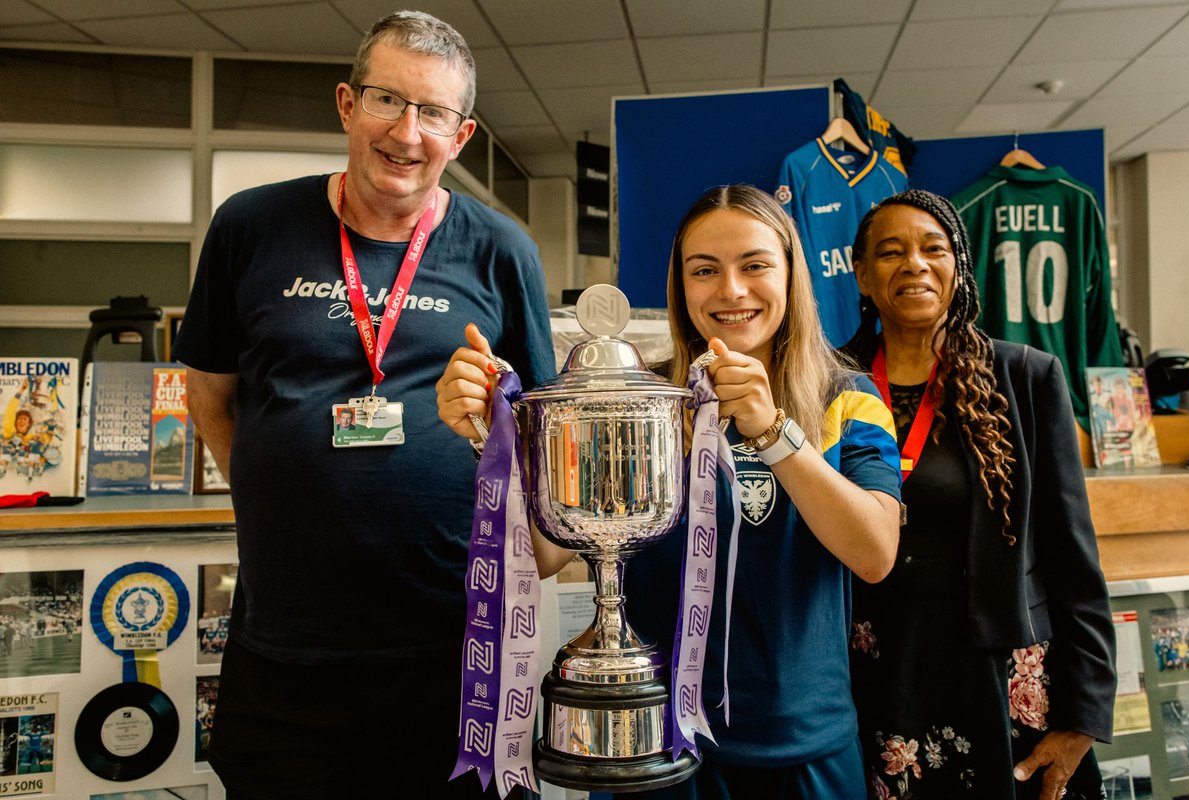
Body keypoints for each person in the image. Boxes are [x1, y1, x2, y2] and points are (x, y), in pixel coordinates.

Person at [172, 9, 555, 798]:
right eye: (387, 100)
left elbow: (540, 436)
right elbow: (209, 392)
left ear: (462, 135)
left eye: (433, 113)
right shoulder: (251, 225)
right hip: (286, 654)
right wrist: (275, 488)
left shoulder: (500, 250)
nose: (406, 133)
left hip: (454, 652)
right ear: (347, 105)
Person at [437, 184, 903, 799]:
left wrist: (773, 431)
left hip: (805, 743)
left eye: (755, 265)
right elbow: (546, 555)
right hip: (656, 739)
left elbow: (874, 553)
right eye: (704, 270)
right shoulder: (641, 399)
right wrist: (488, 439)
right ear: (681, 287)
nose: (730, 290)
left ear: (791, 275)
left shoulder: (849, 398)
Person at [841, 189, 1117, 800]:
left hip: (1003, 684)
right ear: (861, 274)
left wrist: (1084, 717)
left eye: (932, 248)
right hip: (872, 677)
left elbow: (1074, 559)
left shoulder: (1025, 377)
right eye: (890, 252)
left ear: (958, 266)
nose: (914, 264)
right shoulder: (826, 382)